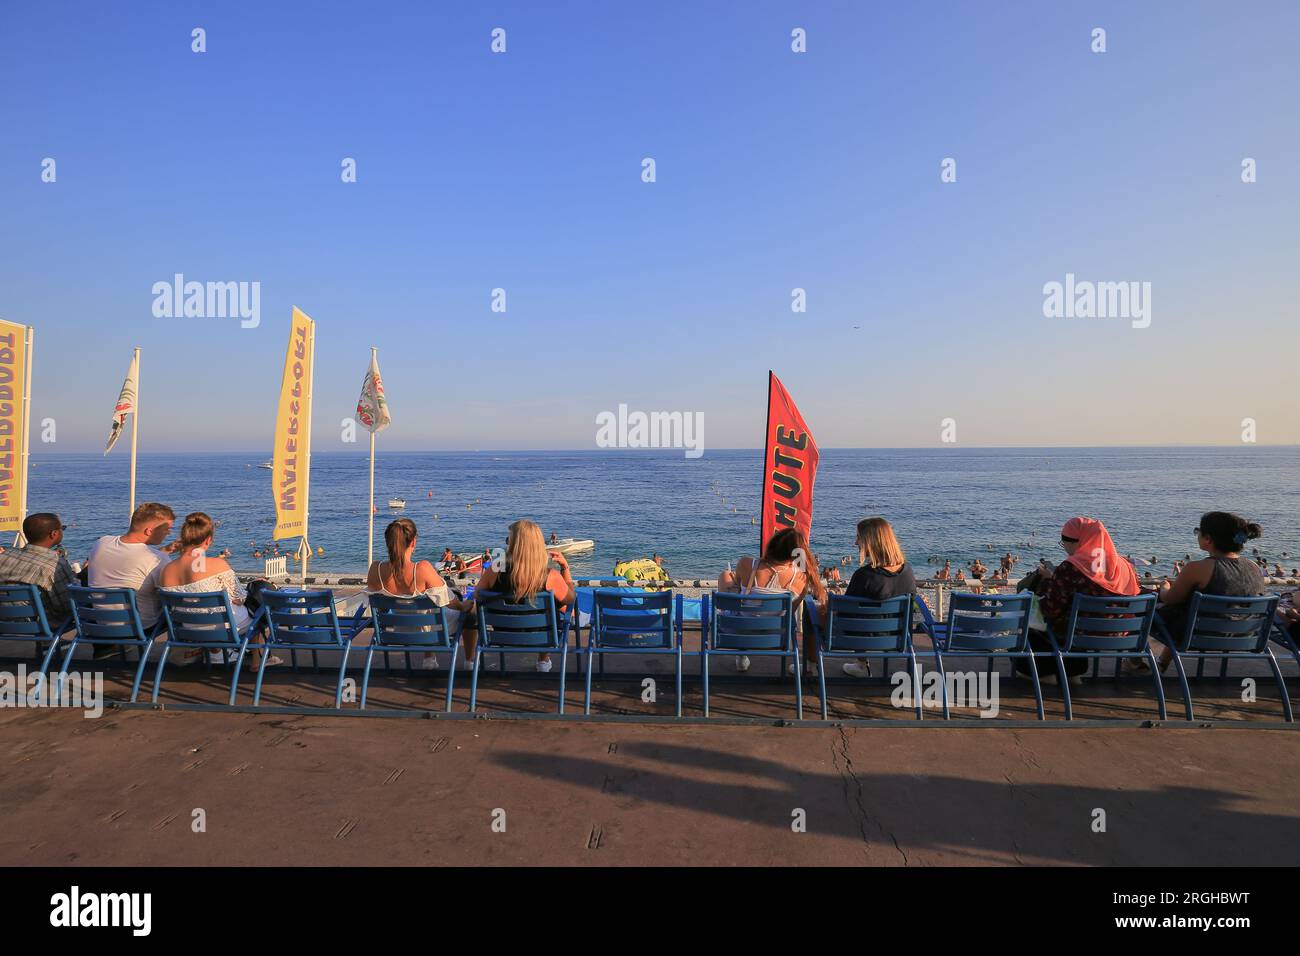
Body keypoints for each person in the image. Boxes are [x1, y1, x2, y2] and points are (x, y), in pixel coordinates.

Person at [1016, 517, 1139, 680]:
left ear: (1078, 542)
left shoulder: (1070, 568)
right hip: (1122, 635)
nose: (1065, 548)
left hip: (1077, 637)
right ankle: (1072, 671)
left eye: (1064, 543)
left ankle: (1046, 674)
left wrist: (1048, 581)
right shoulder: (1125, 566)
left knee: (1026, 630)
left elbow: (1050, 610)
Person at [157, 512, 279, 668]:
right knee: (259, 604)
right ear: (208, 541)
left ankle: (218, 654)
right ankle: (259, 660)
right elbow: (239, 598)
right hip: (223, 627)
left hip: (186, 628)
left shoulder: (166, 570)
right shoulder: (218, 565)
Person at [1150, 512, 1266, 670]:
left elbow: (1170, 599)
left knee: (1148, 611)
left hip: (1198, 634)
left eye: (1199, 531)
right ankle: (1162, 662)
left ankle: (1134, 661)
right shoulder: (1254, 567)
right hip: (1245, 635)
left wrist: (1164, 588)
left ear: (1208, 539)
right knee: (1191, 611)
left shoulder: (1197, 568)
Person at [465, 519, 576, 672]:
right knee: (557, 606)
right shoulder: (550, 575)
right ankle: (543, 661)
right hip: (539, 636)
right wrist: (565, 568)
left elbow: (477, 595)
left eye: (508, 540)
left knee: (470, 614)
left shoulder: (495, 570)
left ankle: (470, 662)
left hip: (501, 634)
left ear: (514, 544)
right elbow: (570, 599)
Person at [718, 528, 827, 676]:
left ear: (772, 545)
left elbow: (736, 587)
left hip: (737, 632)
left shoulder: (746, 563)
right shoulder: (801, 580)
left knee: (725, 575)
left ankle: (742, 654)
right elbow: (790, 613)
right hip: (777, 637)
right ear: (798, 553)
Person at [366, 519, 464, 670]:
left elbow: (380, 608)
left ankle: (430, 660)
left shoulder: (375, 569)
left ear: (388, 542)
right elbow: (450, 602)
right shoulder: (422, 568)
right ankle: (470, 663)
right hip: (431, 631)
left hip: (397, 630)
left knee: (428, 611)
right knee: (469, 616)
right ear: (413, 542)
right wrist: (465, 606)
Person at [840, 517, 918, 679]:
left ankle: (811, 667)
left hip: (863, 637)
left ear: (871, 542)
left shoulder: (864, 575)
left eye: (859, 538)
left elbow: (844, 613)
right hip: (898, 636)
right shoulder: (908, 571)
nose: (856, 543)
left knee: (811, 616)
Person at [86, 502, 174, 641]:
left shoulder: (102, 542)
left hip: (100, 623)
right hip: (141, 627)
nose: (169, 533)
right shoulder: (158, 559)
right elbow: (172, 595)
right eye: (167, 529)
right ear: (149, 531)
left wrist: (164, 551)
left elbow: (130, 557)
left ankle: (107, 648)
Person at [0, 513, 77, 626]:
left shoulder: (4, 556)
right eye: (62, 528)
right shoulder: (54, 565)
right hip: (39, 625)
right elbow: (66, 606)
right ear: (54, 534)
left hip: (4, 622)